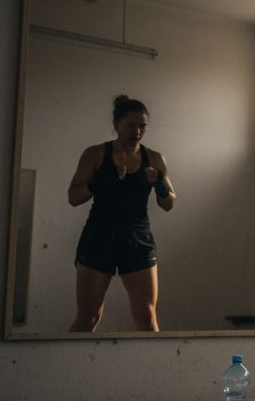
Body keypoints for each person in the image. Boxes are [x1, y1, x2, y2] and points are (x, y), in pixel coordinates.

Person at [67, 95, 176, 331]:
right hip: (98, 237)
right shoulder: (96, 154)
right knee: (89, 317)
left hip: (137, 239)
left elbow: (169, 203)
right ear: (116, 124)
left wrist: (159, 184)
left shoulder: (154, 159)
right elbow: (73, 198)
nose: (137, 131)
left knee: (147, 318)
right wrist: (97, 183)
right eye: (130, 125)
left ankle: (154, 369)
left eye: (142, 126)